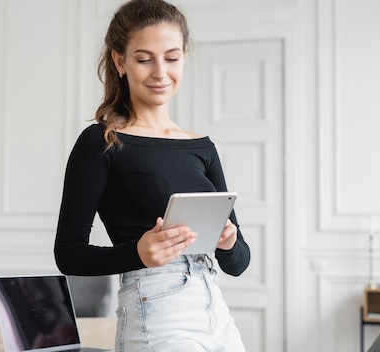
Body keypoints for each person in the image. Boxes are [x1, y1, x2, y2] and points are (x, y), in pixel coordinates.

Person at [54, 0, 250, 351]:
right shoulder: (101, 142)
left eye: (172, 58)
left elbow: (239, 263)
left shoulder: (201, 147)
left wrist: (229, 242)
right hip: (156, 307)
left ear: (184, 57)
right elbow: (68, 253)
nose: (160, 72)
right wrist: (138, 253)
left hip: (215, 308)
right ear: (120, 61)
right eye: (144, 59)